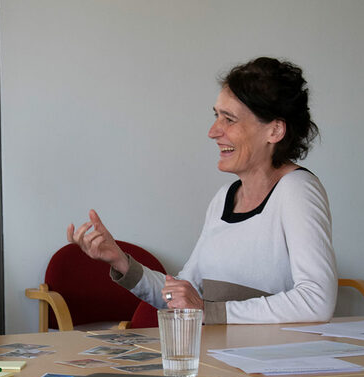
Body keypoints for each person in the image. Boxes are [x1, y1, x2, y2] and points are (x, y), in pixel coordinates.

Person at [67, 57, 337, 324]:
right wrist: (120, 261)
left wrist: (212, 312)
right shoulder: (224, 198)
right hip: (219, 357)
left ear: (275, 130)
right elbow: (184, 295)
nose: (213, 131)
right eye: (216, 116)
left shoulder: (297, 190)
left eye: (229, 119)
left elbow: (317, 300)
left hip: (268, 363)